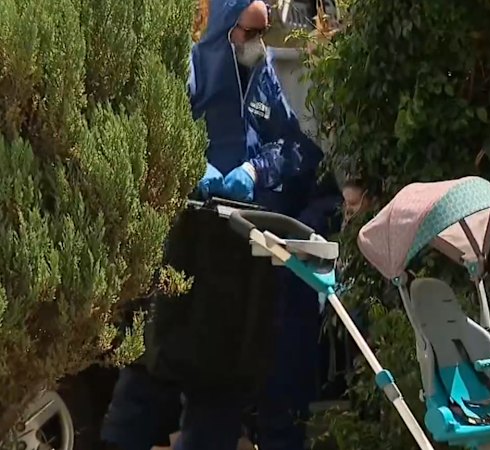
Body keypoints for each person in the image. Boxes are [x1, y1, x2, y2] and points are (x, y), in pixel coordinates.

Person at [100, 1, 326, 449]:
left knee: (223, 380)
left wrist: (256, 171)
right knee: (153, 366)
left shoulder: (262, 78)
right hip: (184, 242)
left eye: (262, 34)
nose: (257, 44)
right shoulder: (188, 70)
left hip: (240, 247)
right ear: (224, 28)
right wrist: (190, 166)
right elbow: (148, 130)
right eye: (248, 33)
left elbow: (295, 148)